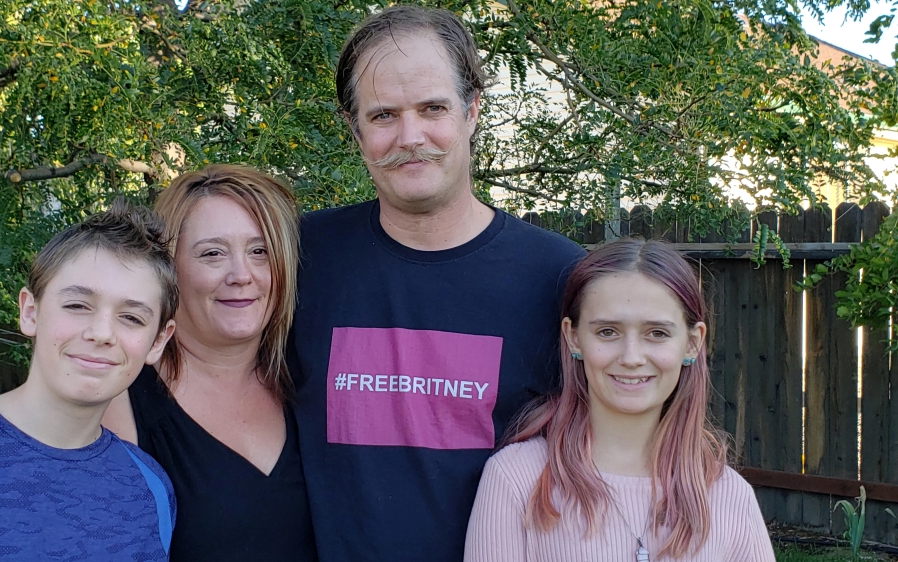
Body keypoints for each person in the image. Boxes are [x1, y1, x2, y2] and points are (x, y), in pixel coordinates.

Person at [288, 6, 586, 562]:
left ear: (472, 111)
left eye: (432, 108)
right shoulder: (298, 258)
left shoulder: (561, 279)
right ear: (354, 130)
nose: (410, 136)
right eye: (382, 116)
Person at [0, 200, 178, 561]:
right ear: (30, 312)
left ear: (158, 341)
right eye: (78, 305)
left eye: (132, 317)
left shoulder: (151, 488)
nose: (101, 333)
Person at [464, 239, 776, 561]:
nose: (631, 357)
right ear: (574, 337)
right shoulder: (516, 478)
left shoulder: (729, 495)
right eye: (608, 332)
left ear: (692, 343)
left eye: (657, 333)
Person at [103, 164, 317, 562]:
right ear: (170, 270)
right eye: (212, 254)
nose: (241, 275)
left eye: (260, 252)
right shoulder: (123, 402)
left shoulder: (307, 381)